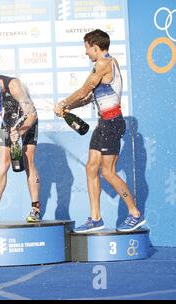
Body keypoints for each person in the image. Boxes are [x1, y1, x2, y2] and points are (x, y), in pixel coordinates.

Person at [54, 29, 145, 232]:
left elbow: (84, 89)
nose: (86, 52)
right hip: (103, 124)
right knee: (91, 168)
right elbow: (88, 98)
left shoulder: (103, 63)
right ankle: (95, 218)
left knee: (108, 172)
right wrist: (68, 109)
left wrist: (63, 102)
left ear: (95, 46)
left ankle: (135, 213)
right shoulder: (102, 65)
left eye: (87, 48)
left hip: (112, 124)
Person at [0, 75, 40, 223]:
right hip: (9, 119)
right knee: (2, 163)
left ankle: (35, 209)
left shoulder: (14, 86)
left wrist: (20, 132)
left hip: (27, 120)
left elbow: (33, 115)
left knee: (28, 160)